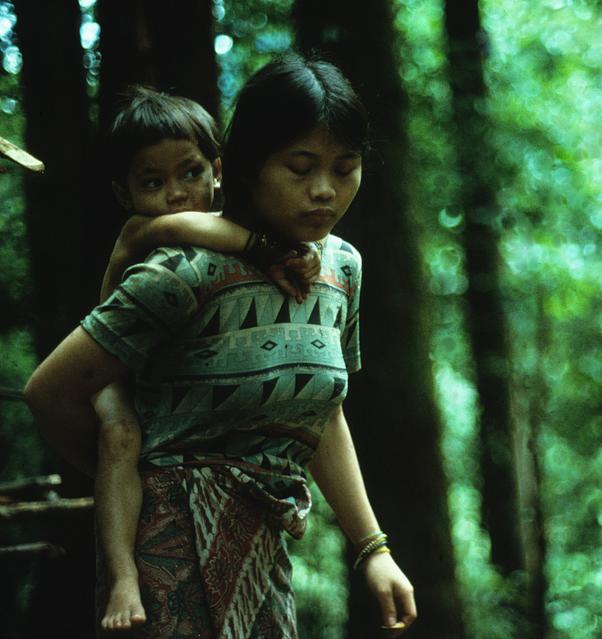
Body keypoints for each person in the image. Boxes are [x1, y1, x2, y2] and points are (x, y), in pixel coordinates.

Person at [24, 54, 417, 638]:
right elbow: (49, 393)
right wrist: (146, 486)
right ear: (243, 167)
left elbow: (321, 413)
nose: (324, 190)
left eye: (346, 167)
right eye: (300, 167)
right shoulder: (184, 271)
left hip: (264, 553)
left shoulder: (340, 269)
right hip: (166, 562)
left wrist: (374, 548)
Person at [92, 86, 320, 632]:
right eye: (152, 182)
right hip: (115, 373)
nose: (175, 194)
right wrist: (277, 250)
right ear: (125, 194)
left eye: (190, 173)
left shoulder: (222, 228)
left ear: (217, 169)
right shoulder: (145, 230)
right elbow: (187, 227)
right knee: (121, 437)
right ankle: (123, 576)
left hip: (181, 407)